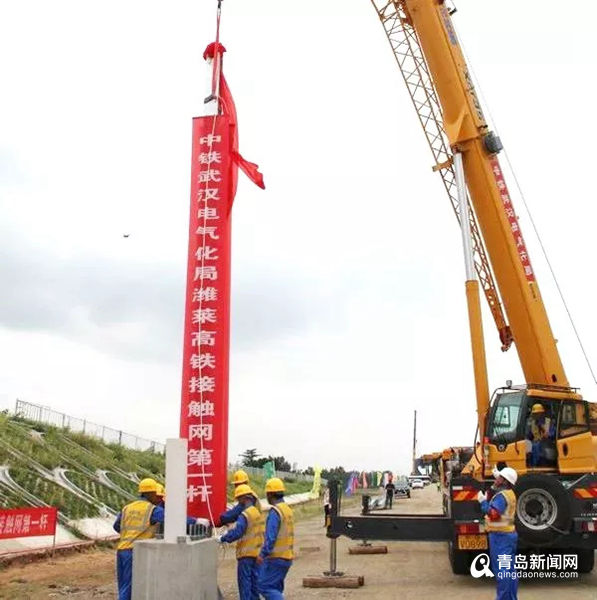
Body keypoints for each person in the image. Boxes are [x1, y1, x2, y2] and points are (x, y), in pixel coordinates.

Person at [113, 478, 163, 600]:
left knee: (124, 585)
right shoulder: (152, 509)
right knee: (129, 588)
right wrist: (196, 521)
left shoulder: (127, 508)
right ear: (151, 493)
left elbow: (116, 526)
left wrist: (130, 533)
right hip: (135, 552)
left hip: (122, 550)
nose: (158, 499)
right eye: (156, 495)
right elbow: (173, 518)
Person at [217, 484, 264, 600]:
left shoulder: (245, 515)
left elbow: (237, 532)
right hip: (257, 553)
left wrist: (222, 538)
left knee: (245, 585)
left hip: (246, 554)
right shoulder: (257, 513)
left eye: (239, 499)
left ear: (244, 498)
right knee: (254, 585)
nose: (238, 502)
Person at [478, 467, 518, 600]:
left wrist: (483, 502)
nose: (496, 479)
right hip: (508, 535)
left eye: (499, 478)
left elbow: (494, 514)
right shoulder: (510, 493)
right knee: (510, 571)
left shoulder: (502, 497)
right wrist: (497, 477)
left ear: (504, 481)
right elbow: (495, 490)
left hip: (500, 538)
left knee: (503, 572)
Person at [257, 478, 294, 600]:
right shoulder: (287, 510)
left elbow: (270, 538)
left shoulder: (275, 512)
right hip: (287, 557)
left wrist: (262, 554)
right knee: (276, 588)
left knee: (264, 586)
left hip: (276, 557)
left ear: (270, 494)